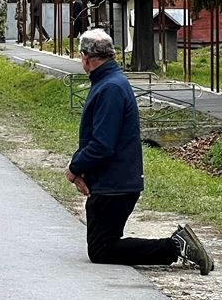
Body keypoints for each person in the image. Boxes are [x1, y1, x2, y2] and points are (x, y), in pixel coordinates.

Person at [68, 29, 214, 274]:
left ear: (85, 57)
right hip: (116, 182)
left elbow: (102, 144)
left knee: (102, 249)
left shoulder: (110, 88)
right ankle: (177, 246)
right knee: (102, 246)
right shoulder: (109, 81)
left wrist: (74, 168)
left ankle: (176, 246)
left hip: (114, 184)